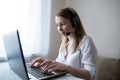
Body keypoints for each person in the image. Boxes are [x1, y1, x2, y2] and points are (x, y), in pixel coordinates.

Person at [30, 7, 97, 80]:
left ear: (74, 23)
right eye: (57, 25)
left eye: (62, 24)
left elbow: (91, 75)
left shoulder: (86, 42)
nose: (59, 29)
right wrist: (46, 63)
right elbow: (60, 65)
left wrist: (68, 68)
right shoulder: (65, 43)